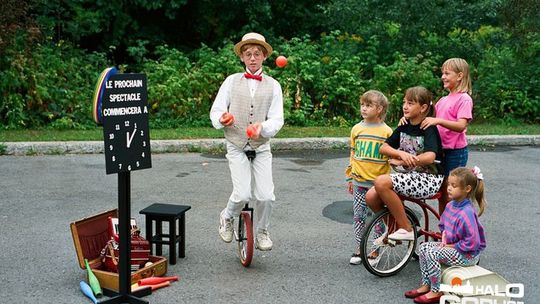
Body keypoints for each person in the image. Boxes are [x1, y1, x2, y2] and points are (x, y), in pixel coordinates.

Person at [209, 32, 284, 251]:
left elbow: (277, 119)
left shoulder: (274, 85)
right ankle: (227, 216)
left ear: (264, 57)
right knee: (242, 193)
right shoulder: (231, 81)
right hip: (236, 144)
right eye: (248, 54)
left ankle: (262, 230)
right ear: (242, 57)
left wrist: (262, 128)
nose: (253, 58)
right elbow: (217, 110)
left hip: (261, 147)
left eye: (257, 54)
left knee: (266, 195)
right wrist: (222, 119)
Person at [366, 86, 444, 241]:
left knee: (381, 182)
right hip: (410, 176)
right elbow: (384, 147)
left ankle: (406, 228)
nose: (405, 106)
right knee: (370, 197)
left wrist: (404, 160)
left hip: (429, 179)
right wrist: (400, 152)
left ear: (423, 108)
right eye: (404, 102)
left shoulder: (428, 128)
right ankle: (394, 228)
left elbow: (430, 156)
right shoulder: (404, 125)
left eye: (410, 103)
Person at [400, 58, 473, 215]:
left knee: (452, 190)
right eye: (442, 73)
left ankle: (454, 225)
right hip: (440, 150)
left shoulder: (464, 99)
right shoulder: (443, 100)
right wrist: (407, 118)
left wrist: (438, 120)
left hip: (455, 152)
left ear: (460, 76)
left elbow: (461, 126)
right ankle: (444, 226)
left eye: (447, 73)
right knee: (443, 191)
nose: (443, 77)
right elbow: (424, 115)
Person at [404, 166, 486, 304]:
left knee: (432, 254)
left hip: (467, 255)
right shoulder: (450, 206)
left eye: (454, 186)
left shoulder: (467, 213)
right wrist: (444, 239)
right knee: (424, 248)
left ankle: (436, 290)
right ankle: (426, 284)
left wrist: (450, 246)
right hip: (453, 248)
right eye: (449, 184)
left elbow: (473, 242)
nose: (449, 188)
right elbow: (444, 227)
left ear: (467, 189)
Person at [344, 90, 392, 265]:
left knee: (377, 217)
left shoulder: (387, 132)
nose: (363, 108)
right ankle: (359, 247)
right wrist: (350, 178)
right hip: (359, 182)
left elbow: (390, 156)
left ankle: (374, 249)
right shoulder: (356, 129)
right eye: (362, 105)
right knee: (359, 216)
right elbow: (353, 153)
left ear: (379, 109)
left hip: (377, 184)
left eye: (368, 105)